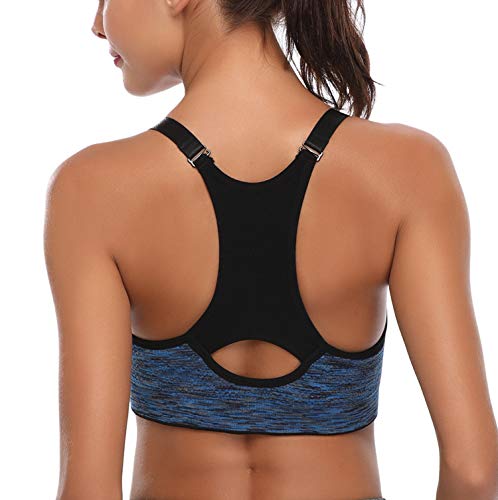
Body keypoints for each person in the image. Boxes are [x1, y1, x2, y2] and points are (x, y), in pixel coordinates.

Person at [43, 0, 498, 499]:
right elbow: (474, 471)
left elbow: (87, 490)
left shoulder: (93, 190)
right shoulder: (407, 170)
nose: (96, 23)